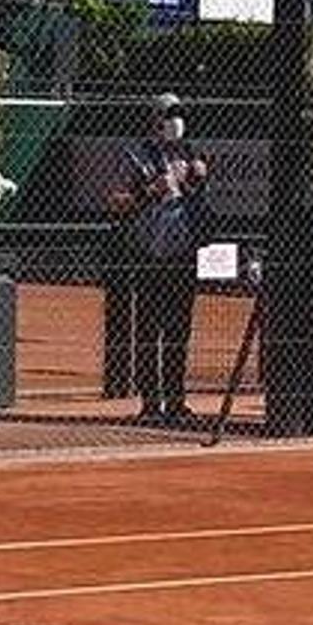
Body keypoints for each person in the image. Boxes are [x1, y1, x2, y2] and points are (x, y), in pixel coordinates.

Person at [107, 92, 211, 423]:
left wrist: (199, 176)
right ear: (154, 119)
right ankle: (151, 404)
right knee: (150, 330)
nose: (175, 122)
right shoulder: (136, 156)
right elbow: (116, 201)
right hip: (150, 253)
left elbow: (200, 198)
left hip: (183, 255)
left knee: (180, 331)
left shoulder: (190, 153)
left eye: (179, 115)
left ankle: (177, 401)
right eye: (169, 115)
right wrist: (151, 190)